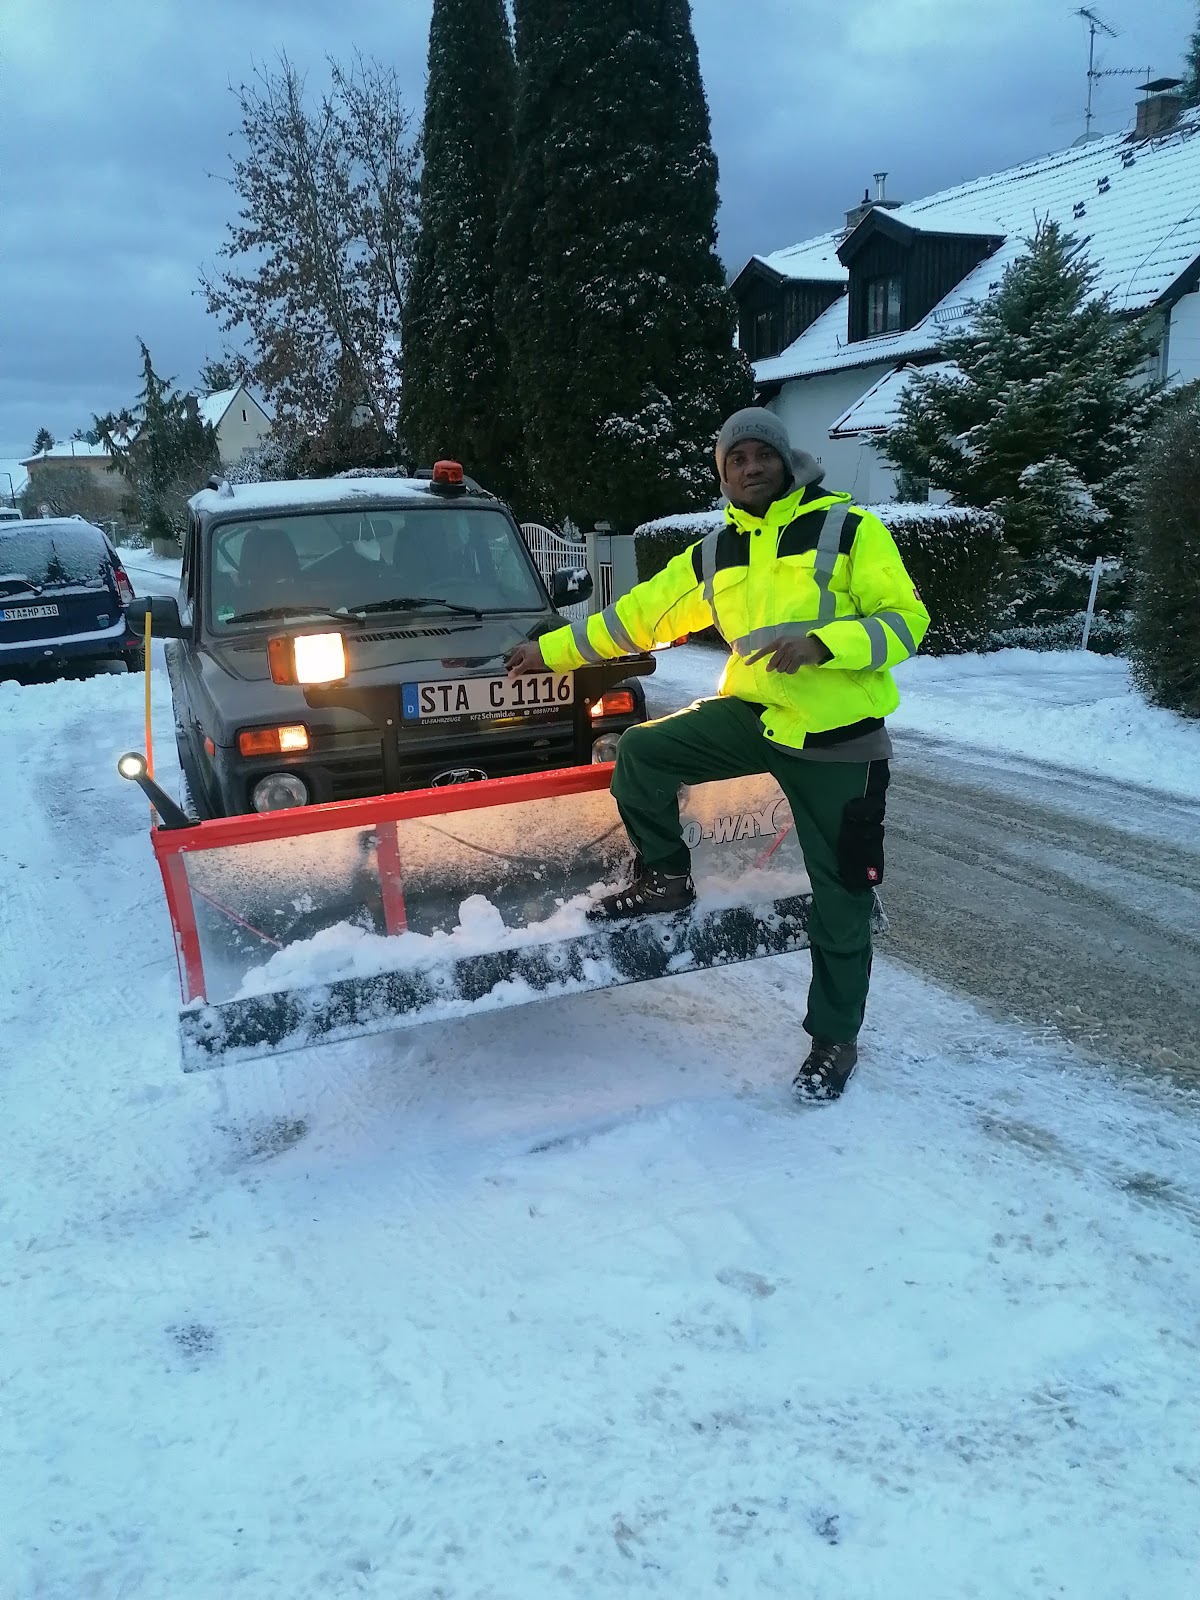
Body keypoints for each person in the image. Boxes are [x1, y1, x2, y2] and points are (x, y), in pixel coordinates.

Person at [505, 408, 929, 1102]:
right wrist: (550, 651)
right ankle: (667, 877)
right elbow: (638, 616)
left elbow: (906, 622)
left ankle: (834, 1039)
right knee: (642, 752)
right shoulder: (715, 551)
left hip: (837, 735)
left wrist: (823, 645)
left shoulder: (848, 529)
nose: (751, 466)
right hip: (755, 716)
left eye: (763, 454)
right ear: (724, 473)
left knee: (842, 893)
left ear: (786, 461)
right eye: (737, 458)